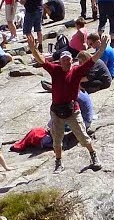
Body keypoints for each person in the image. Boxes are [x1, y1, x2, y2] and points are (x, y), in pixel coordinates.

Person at [26, 33, 101, 171]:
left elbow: (91, 61)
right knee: (57, 140)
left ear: (72, 61)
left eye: (69, 60)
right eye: (65, 59)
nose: (67, 62)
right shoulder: (55, 70)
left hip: (72, 110)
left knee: (83, 137)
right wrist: (33, 49)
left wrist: (101, 49)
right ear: (60, 61)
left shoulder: (77, 71)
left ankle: (93, 155)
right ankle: (58, 163)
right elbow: (42, 61)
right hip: (56, 111)